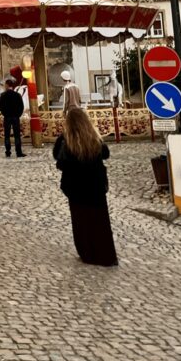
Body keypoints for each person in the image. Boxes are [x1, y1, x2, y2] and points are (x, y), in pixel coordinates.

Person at [53, 107, 117, 267]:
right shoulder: (94, 137)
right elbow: (106, 154)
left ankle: (87, 252)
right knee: (100, 220)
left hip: (75, 186)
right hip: (95, 184)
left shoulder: (66, 140)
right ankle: (106, 254)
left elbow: (58, 158)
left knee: (80, 219)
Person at [0, 78, 25, 158]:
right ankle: (18, 152)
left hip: (7, 117)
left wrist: (5, 114)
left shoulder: (3, 95)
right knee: (17, 135)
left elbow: (1, 106)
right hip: (15, 117)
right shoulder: (17, 95)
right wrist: (18, 115)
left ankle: (8, 151)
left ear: (6, 85)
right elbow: (21, 106)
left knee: (7, 135)